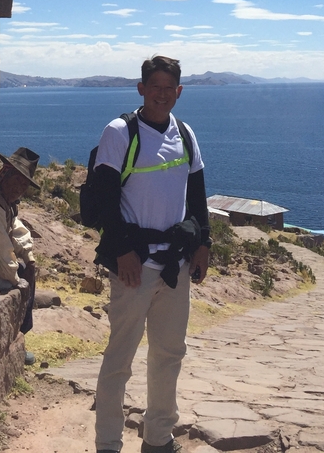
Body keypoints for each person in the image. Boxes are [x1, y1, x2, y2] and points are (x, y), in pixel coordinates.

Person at [93, 56, 211, 453]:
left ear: (179, 92)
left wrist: (204, 244)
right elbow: (106, 199)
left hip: (175, 264)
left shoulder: (186, 134)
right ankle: (108, 443)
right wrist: (123, 250)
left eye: (169, 88)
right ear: (141, 88)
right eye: (154, 86)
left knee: (169, 353)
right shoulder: (119, 132)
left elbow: (196, 195)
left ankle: (159, 439)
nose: (162, 94)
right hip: (134, 265)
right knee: (120, 357)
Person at [0, 146, 40, 364]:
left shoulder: (9, 204)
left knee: (28, 269)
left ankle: (21, 334)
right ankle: (17, 335)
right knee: (20, 276)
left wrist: (29, 258)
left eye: (24, 185)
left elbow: (18, 230)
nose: (19, 189)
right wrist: (16, 279)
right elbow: (1, 248)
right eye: (17, 181)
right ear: (4, 173)